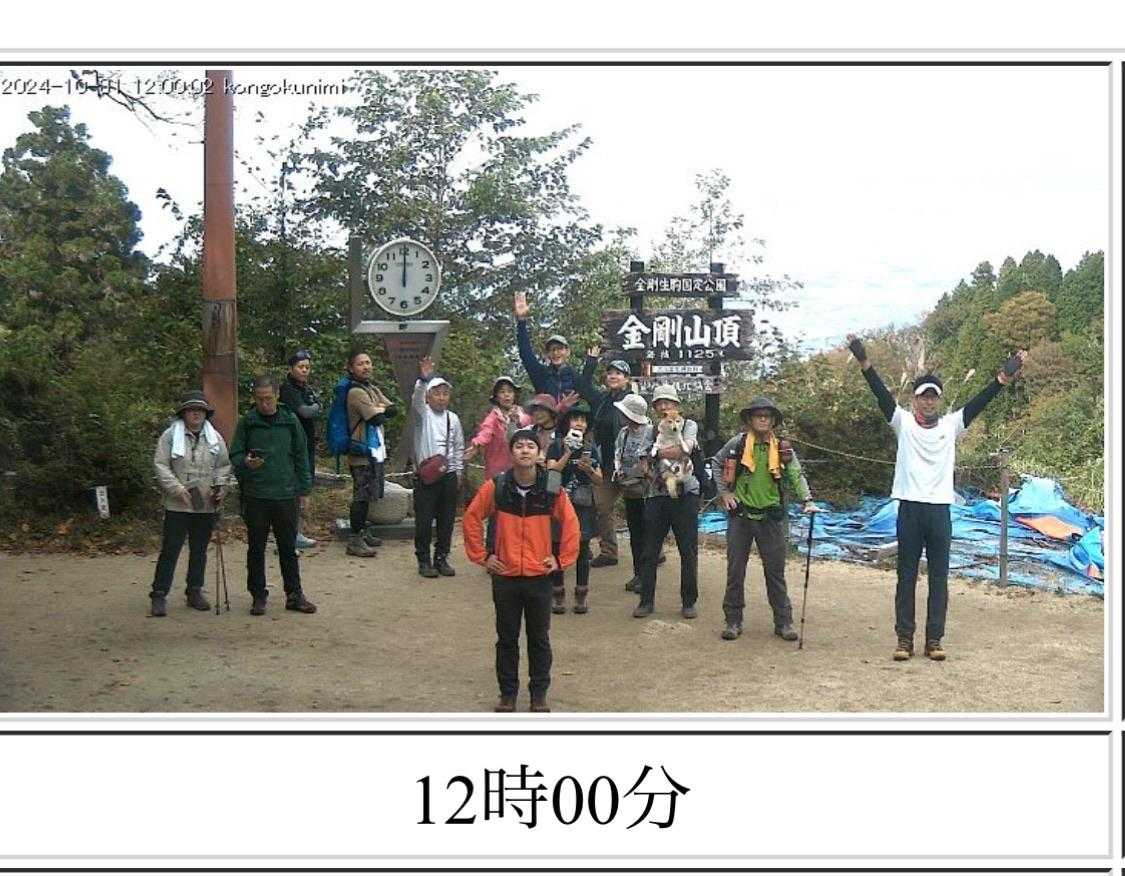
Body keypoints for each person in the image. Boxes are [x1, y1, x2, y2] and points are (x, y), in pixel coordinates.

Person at [848, 332, 1026, 661]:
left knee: (939, 578)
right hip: (910, 509)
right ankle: (904, 639)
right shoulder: (902, 423)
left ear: (939, 401)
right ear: (915, 400)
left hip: (940, 511)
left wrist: (1002, 378)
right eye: (923, 397)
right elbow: (880, 393)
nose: (928, 402)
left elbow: (979, 403)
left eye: (933, 397)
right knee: (906, 576)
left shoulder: (951, 425)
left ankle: (934, 640)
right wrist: (863, 360)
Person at [463, 428, 580, 713]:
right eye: (519, 446)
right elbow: (472, 517)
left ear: (539, 453)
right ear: (511, 452)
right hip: (505, 577)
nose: (525, 450)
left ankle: (538, 695)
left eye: (530, 446)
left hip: (539, 577)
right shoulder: (497, 486)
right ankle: (508, 695)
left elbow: (571, 524)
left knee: (539, 639)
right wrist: (483, 557)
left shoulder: (551, 486)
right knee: (506, 639)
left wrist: (561, 559)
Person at [712, 397, 817, 642]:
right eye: (758, 415)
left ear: (773, 421)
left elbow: (795, 473)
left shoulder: (781, 448)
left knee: (775, 572)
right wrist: (724, 493)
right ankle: (733, 621)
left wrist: (807, 500)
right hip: (740, 516)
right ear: (749, 420)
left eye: (767, 416)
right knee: (735, 571)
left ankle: (784, 622)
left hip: (771, 517)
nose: (762, 419)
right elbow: (717, 462)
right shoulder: (737, 444)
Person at [229, 374, 317, 616]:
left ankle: (295, 595)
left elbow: (301, 455)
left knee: (288, 547)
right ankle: (258, 596)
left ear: (277, 396)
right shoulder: (248, 422)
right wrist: (246, 463)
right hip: (256, 495)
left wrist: (305, 490)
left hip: (286, 494)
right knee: (256, 548)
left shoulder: (290, 420)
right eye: (260, 399)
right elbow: (235, 454)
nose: (264, 403)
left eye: (268, 398)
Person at [149, 390, 233, 617]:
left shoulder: (215, 438)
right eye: (191, 410)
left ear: (206, 413)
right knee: (171, 549)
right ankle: (159, 594)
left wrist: (220, 488)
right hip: (177, 503)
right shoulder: (169, 436)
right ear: (183, 413)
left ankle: (194, 591)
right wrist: (176, 489)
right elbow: (160, 464)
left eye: (200, 410)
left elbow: (224, 466)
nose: (196, 413)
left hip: (205, 503)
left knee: (199, 550)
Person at [633, 385, 701, 620]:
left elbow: (685, 450)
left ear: (676, 406)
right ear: (654, 408)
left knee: (688, 550)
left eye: (668, 402)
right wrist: (649, 468)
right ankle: (646, 601)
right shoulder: (651, 430)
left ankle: (689, 601)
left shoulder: (689, 425)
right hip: (657, 494)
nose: (664, 406)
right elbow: (642, 457)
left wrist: (657, 454)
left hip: (686, 493)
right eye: (659, 403)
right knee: (649, 550)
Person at [578, 346, 633, 568]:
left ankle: (653, 550)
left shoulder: (632, 400)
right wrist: (591, 361)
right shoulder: (601, 400)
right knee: (602, 507)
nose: (613, 376)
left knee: (637, 508)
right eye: (610, 373)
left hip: (629, 465)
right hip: (607, 464)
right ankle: (609, 551)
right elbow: (583, 387)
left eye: (618, 373)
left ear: (626, 379)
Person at [545, 402, 602, 613]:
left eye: (583, 420)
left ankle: (581, 594)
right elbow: (552, 471)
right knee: (556, 547)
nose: (579, 423)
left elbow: (599, 479)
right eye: (575, 419)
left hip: (582, 504)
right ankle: (557, 594)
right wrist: (568, 453)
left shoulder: (590, 448)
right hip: (559, 503)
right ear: (567, 423)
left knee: (582, 549)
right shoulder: (556, 445)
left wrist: (589, 470)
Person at [412, 355, 465, 579]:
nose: (441, 398)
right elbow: (416, 398)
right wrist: (423, 379)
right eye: (437, 393)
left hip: (448, 474)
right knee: (424, 521)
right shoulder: (422, 414)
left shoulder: (453, 418)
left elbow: (458, 446)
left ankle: (441, 558)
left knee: (446, 520)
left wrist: (459, 472)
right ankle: (424, 560)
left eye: (445, 393)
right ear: (429, 396)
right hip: (426, 476)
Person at [342, 350, 397, 558]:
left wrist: (378, 408)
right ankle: (354, 539)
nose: (366, 367)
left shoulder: (371, 389)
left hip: (374, 450)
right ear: (351, 368)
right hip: (361, 451)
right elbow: (376, 419)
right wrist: (379, 409)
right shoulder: (356, 392)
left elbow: (393, 410)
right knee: (361, 497)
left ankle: (363, 532)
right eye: (360, 364)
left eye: (368, 362)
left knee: (368, 496)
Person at [278, 349, 322, 550]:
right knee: (292, 491)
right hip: (291, 446)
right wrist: (317, 406)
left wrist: (315, 406)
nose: (304, 370)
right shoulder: (287, 389)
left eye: (307, 367)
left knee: (302, 489)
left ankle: (295, 533)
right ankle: (288, 536)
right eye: (300, 367)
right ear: (291, 368)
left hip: (307, 444)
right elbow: (305, 412)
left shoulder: (306, 389)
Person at [612, 393, 654, 593]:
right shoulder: (624, 433)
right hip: (630, 490)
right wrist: (619, 471)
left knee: (647, 535)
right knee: (635, 534)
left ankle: (647, 577)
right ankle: (639, 573)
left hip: (647, 490)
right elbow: (618, 454)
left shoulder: (651, 432)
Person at [514, 290, 579, 412]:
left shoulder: (575, 377)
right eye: (552, 350)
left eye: (560, 349)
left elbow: (592, 394)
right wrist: (521, 321)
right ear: (547, 354)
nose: (556, 353)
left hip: (570, 423)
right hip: (546, 422)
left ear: (568, 351)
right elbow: (526, 354)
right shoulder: (542, 375)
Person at [464, 376, 532, 480]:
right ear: (496, 397)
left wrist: (516, 421)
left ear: (515, 395)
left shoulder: (524, 416)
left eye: (510, 391)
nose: (506, 395)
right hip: (497, 471)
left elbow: (529, 432)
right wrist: (477, 443)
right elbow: (485, 432)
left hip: (520, 470)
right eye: (502, 392)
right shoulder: (493, 418)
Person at [525, 393, 560, 460]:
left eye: (541, 409)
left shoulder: (562, 433)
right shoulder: (529, 431)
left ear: (551, 412)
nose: (537, 413)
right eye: (534, 410)